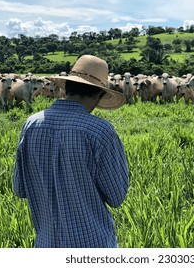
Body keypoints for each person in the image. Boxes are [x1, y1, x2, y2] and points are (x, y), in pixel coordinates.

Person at [13, 55, 129, 248]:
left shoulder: (31, 124)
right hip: (92, 246)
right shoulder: (100, 131)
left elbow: (20, 188)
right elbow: (116, 197)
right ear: (100, 95)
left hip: (45, 245)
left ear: (66, 88)